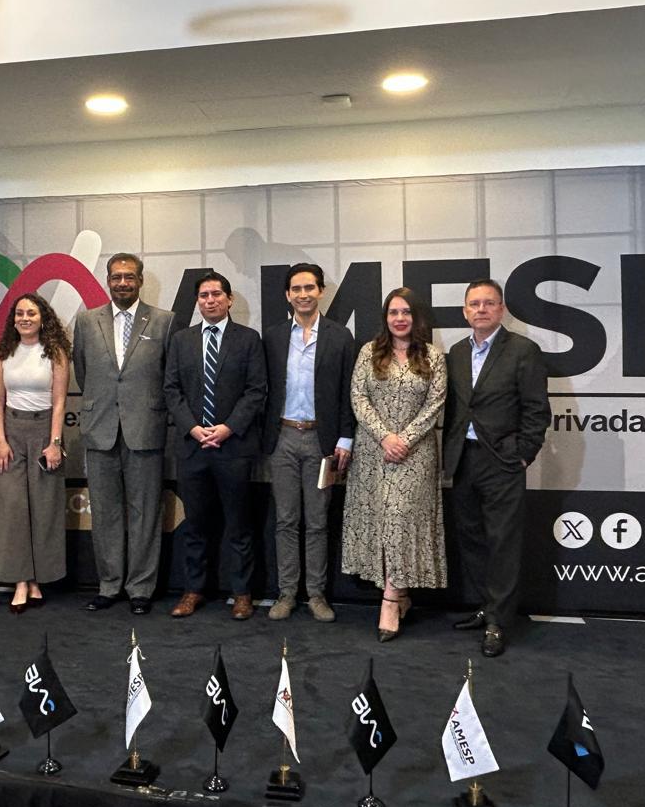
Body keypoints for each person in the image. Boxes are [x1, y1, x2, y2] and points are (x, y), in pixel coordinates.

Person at [442, 279, 550, 657]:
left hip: (502, 461)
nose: (481, 309)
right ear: (465, 311)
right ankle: (485, 607)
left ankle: (498, 623)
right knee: (472, 539)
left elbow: (537, 409)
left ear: (501, 309)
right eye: (474, 304)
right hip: (463, 459)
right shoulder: (456, 353)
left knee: (503, 543)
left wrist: (524, 453)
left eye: (489, 303)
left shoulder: (522, 350)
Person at [72, 253, 175, 616]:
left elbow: (168, 375)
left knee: (145, 513)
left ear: (140, 280)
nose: (122, 283)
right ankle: (109, 585)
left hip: (145, 429)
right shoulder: (86, 321)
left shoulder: (164, 321)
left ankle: (141, 588)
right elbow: (83, 372)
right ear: (108, 281)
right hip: (100, 428)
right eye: (116, 277)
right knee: (105, 513)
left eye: (129, 277)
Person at [342, 288, 447, 642]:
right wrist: (385, 437)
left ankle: (389, 600)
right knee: (381, 522)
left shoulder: (433, 356)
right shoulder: (369, 352)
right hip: (374, 452)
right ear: (385, 317)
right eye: (393, 312)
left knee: (401, 520)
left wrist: (405, 439)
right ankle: (400, 594)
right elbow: (358, 397)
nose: (399, 318)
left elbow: (435, 404)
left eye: (406, 312)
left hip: (416, 455)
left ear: (416, 317)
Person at [164, 272, 267, 620]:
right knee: (195, 525)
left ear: (229, 299)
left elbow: (256, 391)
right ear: (197, 301)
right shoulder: (181, 340)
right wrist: (193, 429)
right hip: (193, 447)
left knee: (239, 525)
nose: (210, 300)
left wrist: (227, 428)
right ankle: (192, 590)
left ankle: (242, 594)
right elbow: (171, 390)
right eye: (204, 295)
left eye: (216, 294)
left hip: (233, 446)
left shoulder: (248, 339)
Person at [261, 263, 356, 623]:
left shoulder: (339, 336)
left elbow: (347, 391)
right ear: (288, 295)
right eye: (296, 289)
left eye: (309, 288)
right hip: (283, 437)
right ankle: (286, 593)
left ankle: (316, 594)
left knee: (317, 521)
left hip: (321, 441)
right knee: (285, 520)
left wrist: (345, 437)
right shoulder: (273, 336)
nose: (303, 295)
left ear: (321, 292)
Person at [0, 293, 70, 613]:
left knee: (44, 509)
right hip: (11, 432)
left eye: (31, 313)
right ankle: (21, 581)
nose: (25, 318)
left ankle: (36, 580)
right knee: (13, 509)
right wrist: (0, 440)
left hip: (44, 430)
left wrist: (55, 442)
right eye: (19, 313)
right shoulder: (3, 352)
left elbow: (60, 402)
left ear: (42, 317)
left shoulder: (55, 352)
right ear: (13, 319)